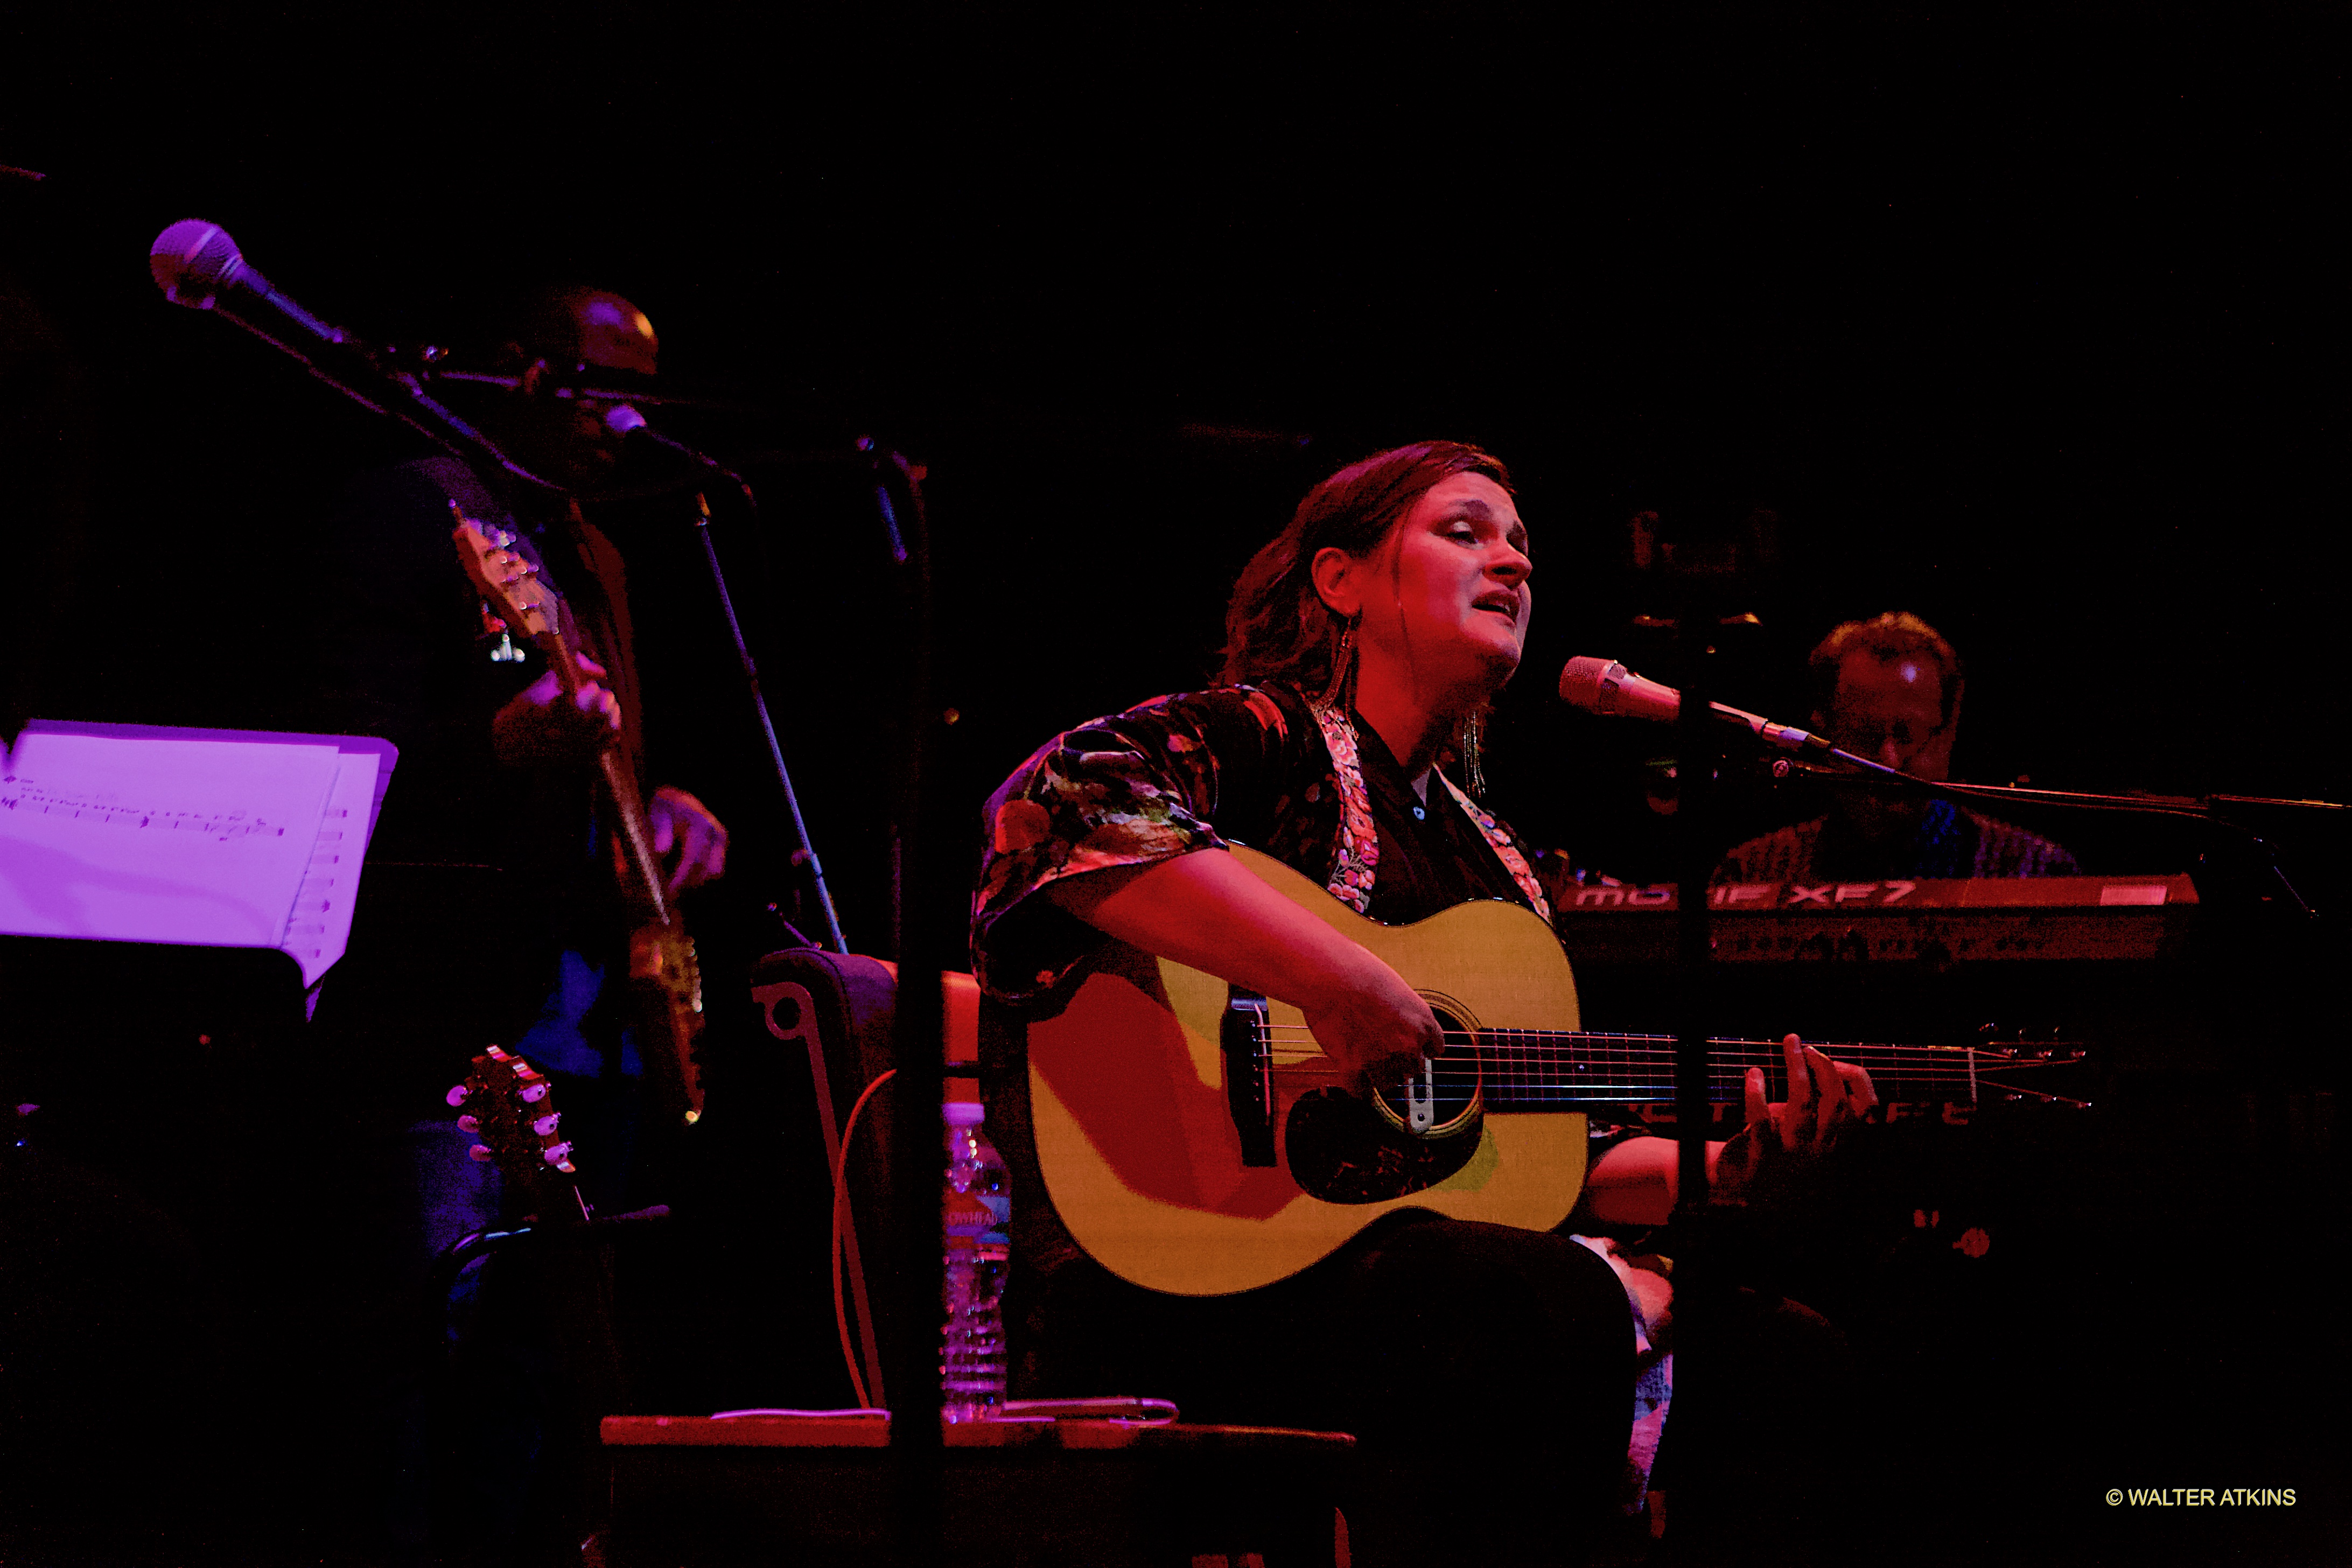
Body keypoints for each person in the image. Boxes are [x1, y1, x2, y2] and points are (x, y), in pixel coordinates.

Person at [971, 442, 1875, 1564]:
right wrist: (1337, 980)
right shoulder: (1263, 738)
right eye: (1465, 532)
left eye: (1521, 546)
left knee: (1785, 1351)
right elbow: (1052, 804)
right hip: (1184, 1268)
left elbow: (1552, 1152)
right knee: (1541, 1303)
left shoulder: (1496, 862)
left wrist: (1727, 1166)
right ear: (1340, 581)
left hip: (1401, 1269)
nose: (1510, 562)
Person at [1717, 611, 2077, 884]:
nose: (1888, 757)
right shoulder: (1754, 873)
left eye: (1907, 734)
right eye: (1865, 733)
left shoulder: (2034, 870)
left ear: (1949, 731)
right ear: (1823, 732)